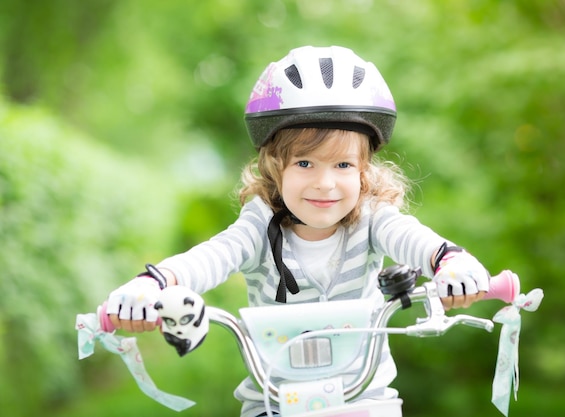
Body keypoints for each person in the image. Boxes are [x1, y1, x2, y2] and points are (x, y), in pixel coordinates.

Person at [105, 45, 490, 417]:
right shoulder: (261, 224)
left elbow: (410, 236)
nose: (325, 183)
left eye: (342, 165)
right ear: (275, 166)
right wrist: (152, 285)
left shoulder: (373, 217)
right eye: (305, 163)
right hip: (273, 403)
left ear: (363, 170)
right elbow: (213, 256)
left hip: (365, 399)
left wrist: (449, 261)